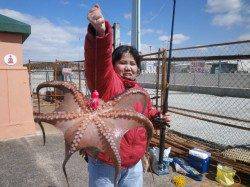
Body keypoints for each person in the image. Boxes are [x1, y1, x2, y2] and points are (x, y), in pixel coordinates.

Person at [84, 4, 171, 187]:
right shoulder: (107, 84)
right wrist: (100, 33)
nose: (129, 67)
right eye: (123, 62)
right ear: (113, 65)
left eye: (133, 63)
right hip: (104, 163)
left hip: (133, 165)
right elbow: (99, 61)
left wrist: (157, 117)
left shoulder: (142, 92)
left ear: (138, 68)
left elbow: (146, 112)